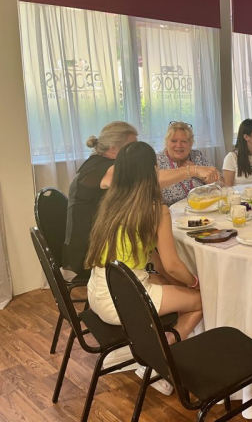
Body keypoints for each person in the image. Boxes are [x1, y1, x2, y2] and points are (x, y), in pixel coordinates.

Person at [85, 141, 203, 395]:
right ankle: (159, 359)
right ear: (153, 171)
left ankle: (157, 349)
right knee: (199, 301)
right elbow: (173, 264)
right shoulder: (156, 210)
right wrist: (194, 282)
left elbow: (155, 257)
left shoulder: (111, 203)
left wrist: (173, 280)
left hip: (97, 293)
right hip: (122, 302)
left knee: (168, 282)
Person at [63, 122, 218, 278]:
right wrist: (193, 170)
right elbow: (146, 179)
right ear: (114, 149)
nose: (136, 151)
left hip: (103, 243)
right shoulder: (105, 169)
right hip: (90, 251)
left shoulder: (98, 163)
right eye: (132, 146)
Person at [156, 122, 220, 206]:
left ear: (191, 144)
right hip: (171, 212)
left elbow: (223, 184)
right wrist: (194, 170)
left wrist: (209, 180)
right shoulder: (157, 160)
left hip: (202, 209)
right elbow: (152, 181)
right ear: (166, 142)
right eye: (174, 141)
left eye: (184, 141)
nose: (179, 145)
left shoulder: (197, 156)